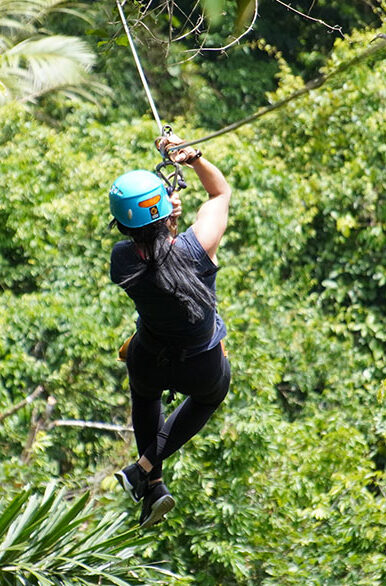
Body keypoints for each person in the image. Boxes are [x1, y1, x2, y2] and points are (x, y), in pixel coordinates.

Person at [109, 135, 231, 528]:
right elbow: (219, 194)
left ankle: (155, 485)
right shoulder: (197, 249)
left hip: (149, 356)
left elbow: (155, 250)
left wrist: (166, 218)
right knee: (210, 397)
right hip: (200, 364)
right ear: (164, 215)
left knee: (145, 398)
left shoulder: (121, 260)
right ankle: (143, 467)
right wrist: (192, 158)